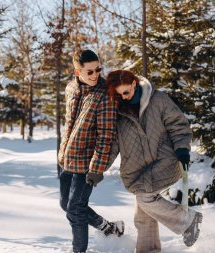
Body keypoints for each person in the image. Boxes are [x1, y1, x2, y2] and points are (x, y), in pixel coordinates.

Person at [105, 69, 202, 253]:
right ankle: (148, 250)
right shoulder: (117, 112)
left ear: (134, 83)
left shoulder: (158, 100)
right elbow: (112, 145)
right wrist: (96, 168)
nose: (123, 98)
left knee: (144, 197)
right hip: (138, 170)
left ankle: (187, 219)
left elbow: (178, 124)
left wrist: (182, 149)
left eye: (125, 92)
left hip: (164, 161)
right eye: (118, 95)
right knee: (143, 214)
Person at [58, 49, 124, 253]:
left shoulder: (105, 95)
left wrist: (96, 168)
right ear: (77, 73)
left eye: (98, 70)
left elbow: (106, 136)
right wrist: (62, 154)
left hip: (87, 163)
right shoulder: (71, 88)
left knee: (75, 210)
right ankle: (110, 228)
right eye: (90, 72)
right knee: (65, 205)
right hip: (66, 159)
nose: (95, 75)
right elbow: (69, 124)